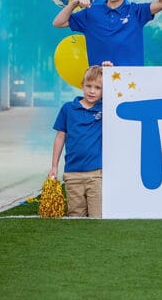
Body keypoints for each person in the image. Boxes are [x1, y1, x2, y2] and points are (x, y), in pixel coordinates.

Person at [48, 65, 104, 218]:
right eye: (89, 86)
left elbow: (123, 91)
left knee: (97, 216)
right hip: (72, 174)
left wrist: (110, 69)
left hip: (96, 174)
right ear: (82, 85)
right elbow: (60, 137)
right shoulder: (68, 109)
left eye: (98, 88)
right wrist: (54, 166)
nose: (92, 91)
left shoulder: (105, 109)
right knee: (75, 217)